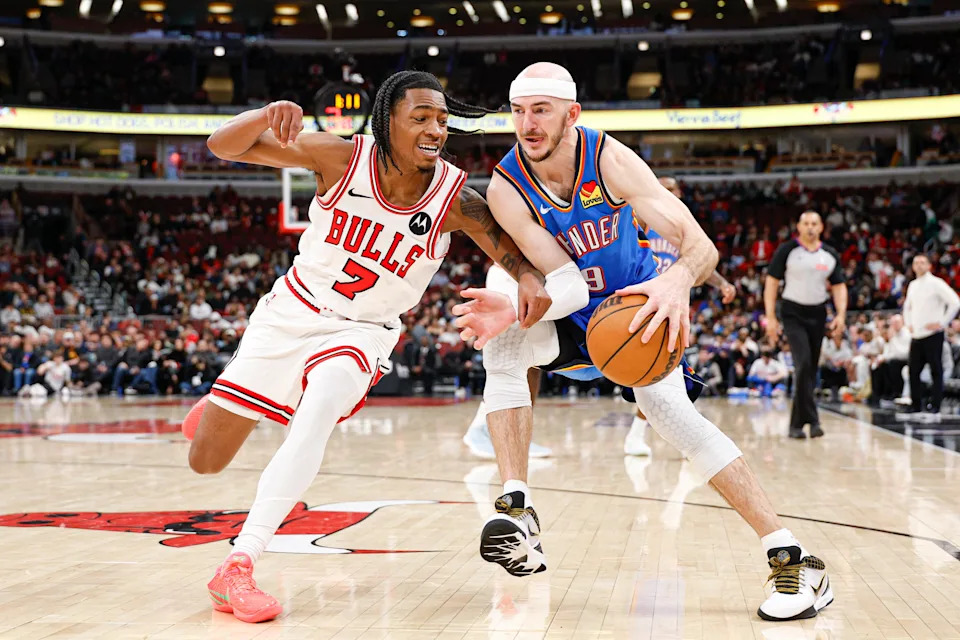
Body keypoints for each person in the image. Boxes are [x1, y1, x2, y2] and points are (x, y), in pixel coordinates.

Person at [182, 70, 586, 624]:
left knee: (318, 411)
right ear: (386, 121)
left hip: (363, 331)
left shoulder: (454, 198)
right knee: (205, 461)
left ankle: (239, 564)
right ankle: (226, 404)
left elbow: (508, 251)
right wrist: (264, 112)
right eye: (420, 117)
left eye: (442, 120)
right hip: (291, 313)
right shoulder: (339, 157)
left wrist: (526, 278)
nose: (435, 129)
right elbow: (221, 146)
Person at [452, 63, 832, 622]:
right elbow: (567, 282)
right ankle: (516, 506)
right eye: (518, 111)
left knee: (674, 417)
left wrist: (676, 281)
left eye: (541, 110)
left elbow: (701, 249)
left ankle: (790, 554)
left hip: (634, 317)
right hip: (572, 315)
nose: (527, 124)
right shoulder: (508, 185)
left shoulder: (608, 159)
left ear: (572, 114)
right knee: (504, 340)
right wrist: (513, 309)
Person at [460, 175, 737, 459]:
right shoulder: (623, 221)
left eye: (673, 191)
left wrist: (722, 284)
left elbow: (699, 262)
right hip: (608, 309)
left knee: (653, 373)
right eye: (663, 189)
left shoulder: (676, 234)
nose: (668, 195)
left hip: (652, 309)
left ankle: (657, 436)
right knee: (525, 351)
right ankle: (495, 427)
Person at [764, 211, 847, 438]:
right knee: (802, 365)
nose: (810, 227)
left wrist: (841, 314)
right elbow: (772, 283)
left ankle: (797, 424)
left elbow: (839, 286)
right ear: (799, 227)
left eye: (814, 224)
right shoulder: (787, 251)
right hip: (792, 312)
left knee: (810, 368)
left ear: (821, 227)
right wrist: (770, 317)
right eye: (806, 223)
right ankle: (812, 419)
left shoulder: (829, 254)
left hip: (818, 313)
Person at [903, 253, 960, 413]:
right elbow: (907, 307)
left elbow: (955, 302)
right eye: (916, 263)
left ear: (929, 265)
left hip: (932, 334)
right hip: (916, 335)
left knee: (936, 370)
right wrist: (909, 324)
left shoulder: (936, 283)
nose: (919, 265)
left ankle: (935, 405)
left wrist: (942, 323)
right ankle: (915, 405)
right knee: (913, 371)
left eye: (922, 262)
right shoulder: (913, 285)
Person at [818, 328, 852, 401]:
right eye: (835, 338)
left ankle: (847, 388)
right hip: (830, 368)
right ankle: (827, 388)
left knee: (847, 367)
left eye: (839, 338)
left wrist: (842, 362)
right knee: (824, 367)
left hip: (841, 368)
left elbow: (849, 356)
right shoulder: (829, 344)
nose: (837, 340)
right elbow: (826, 355)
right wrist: (833, 362)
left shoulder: (844, 344)